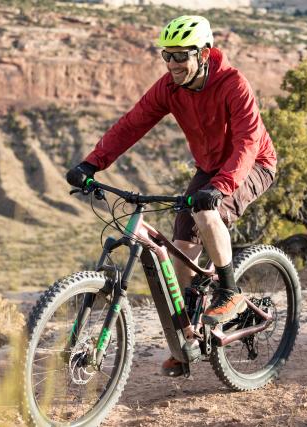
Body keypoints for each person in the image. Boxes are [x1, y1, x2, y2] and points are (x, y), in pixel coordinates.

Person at [66, 15, 277, 377]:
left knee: (208, 216)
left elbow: (247, 142)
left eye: (181, 56)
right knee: (180, 254)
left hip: (252, 164)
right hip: (209, 169)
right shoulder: (169, 87)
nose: (173, 64)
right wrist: (91, 165)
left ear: (205, 53)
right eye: (167, 55)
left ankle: (230, 292)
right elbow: (132, 124)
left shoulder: (233, 84)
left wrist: (222, 186)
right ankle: (188, 342)